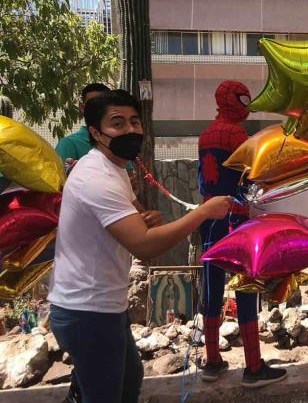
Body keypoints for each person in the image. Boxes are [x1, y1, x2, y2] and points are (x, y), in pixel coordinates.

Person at [47, 90, 232, 403]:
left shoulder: (114, 169)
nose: (130, 130)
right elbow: (144, 246)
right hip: (87, 310)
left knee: (129, 381)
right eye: (117, 123)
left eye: (135, 121)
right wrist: (203, 212)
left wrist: (144, 217)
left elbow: (133, 217)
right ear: (95, 132)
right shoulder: (96, 177)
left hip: (105, 305)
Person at [198, 80, 287, 387]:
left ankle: (212, 361)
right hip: (236, 220)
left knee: (211, 290)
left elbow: (204, 180)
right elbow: (251, 181)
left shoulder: (205, 134)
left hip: (209, 217)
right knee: (246, 289)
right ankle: (253, 366)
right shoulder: (236, 134)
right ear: (233, 101)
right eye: (244, 99)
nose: (248, 105)